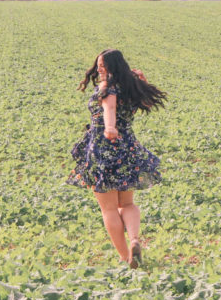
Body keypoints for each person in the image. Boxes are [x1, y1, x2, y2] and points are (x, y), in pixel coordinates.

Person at [67, 49, 167, 268]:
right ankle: (134, 240)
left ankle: (125, 257)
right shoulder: (129, 87)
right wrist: (143, 82)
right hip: (127, 147)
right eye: (98, 65)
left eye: (103, 65)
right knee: (127, 203)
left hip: (103, 148)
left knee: (109, 208)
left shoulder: (108, 88)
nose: (100, 69)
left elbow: (109, 107)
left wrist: (110, 127)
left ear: (113, 66)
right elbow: (148, 104)